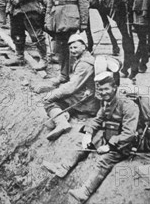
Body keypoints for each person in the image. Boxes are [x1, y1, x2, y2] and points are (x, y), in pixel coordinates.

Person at [42, 72, 139, 203]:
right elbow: (97, 120)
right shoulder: (107, 101)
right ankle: (62, 168)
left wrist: (109, 146)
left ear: (114, 88)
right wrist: (88, 134)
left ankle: (84, 192)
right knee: (81, 143)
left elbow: (129, 134)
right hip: (109, 135)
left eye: (106, 89)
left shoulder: (128, 105)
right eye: (100, 89)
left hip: (124, 143)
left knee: (105, 160)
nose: (103, 92)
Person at [41, 33, 100, 141]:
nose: (72, 50)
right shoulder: (85, 58)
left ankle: (61, 122)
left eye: (75, 47)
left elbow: (71, 87)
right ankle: (62, 117)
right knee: (61, 100)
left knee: (49, 101)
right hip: (86, 99)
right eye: (71, 48)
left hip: (86, 101)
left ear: (84, 47)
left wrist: (52, 94)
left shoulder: (84, 63)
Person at [44, 0, 90, 84]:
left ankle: (75, 77)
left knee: (74, 49)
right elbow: (50, 3)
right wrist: (48, 19)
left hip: (71, 19)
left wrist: (84, 22)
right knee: (60, 49)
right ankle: (64, 75)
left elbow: (83, 1)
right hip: (58, 19)